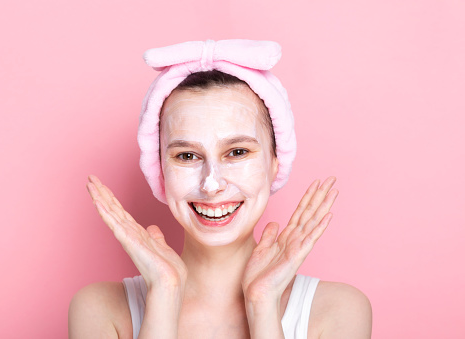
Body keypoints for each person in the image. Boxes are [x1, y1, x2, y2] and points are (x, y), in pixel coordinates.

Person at [69, 40, 372, 339]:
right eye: (186, 156)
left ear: (275, 162)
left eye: (238, 152)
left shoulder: (338, 311)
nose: (211, 184)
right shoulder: (99, 310)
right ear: (160, 171)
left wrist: (262, 305)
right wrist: (165, 294)